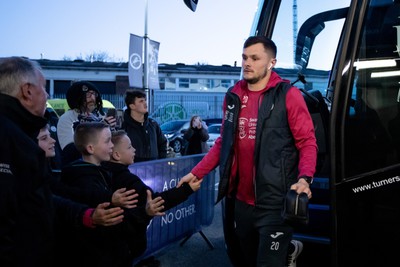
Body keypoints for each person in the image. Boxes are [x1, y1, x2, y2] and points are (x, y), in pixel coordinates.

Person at [178, 36, 318, 267]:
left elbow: (307, 142)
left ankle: (283, 252)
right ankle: (287, 251)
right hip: (241, 202)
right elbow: (224, 143)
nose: (247, 63)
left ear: (271, 62)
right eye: (244, 57)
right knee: (245, 260)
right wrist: (198, 173)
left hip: (276, 202)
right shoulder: (233, 96)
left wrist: (305, 179)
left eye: (254, 58)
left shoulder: (287, 95)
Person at [0, 56, 124, 267]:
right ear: (27, 91)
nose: (47, 94)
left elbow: (42, 196)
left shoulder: (20, 135)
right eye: (44, 88)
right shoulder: (7, 138)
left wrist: (86, 215)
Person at [102, 129, 202, 264]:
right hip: (125, 246)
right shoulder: (128, 181)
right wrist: (187, 189)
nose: (134, 149)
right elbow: (158, 202)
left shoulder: (101, 173)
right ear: (117, 155)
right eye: (129, 146)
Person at [57, 80, 116, 166]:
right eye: (88, 94)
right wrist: (99, 130)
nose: (92, 98)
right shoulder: (67, 118)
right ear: (77, 97)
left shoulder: (99, 116)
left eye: (94, 94)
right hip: (79, 168)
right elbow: (70, 150)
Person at [122, 89, 167, 162]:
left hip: (154, 167)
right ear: (132, 106)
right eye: (141, 101)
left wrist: (160, 162)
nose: (145, 103)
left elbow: (162, 143)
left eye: (145, 100)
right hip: (132, 168)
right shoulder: (123, 127)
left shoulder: (153, 124)